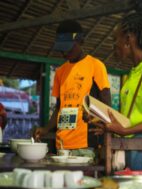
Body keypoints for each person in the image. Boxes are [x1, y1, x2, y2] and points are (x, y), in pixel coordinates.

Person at [94, 9, 142, 171]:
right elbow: (133, 117)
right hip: (132, 146)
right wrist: (106, 121)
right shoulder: (133, 72)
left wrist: (125, 130)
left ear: (128, 39)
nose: (114, 45)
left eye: (116, 39)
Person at [33, 20, 111, 154]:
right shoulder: (60, 72)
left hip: (86, 144)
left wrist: (96, 118)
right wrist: (46, 129)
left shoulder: (95, 66)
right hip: (62, 143)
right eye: (61, 49)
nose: (64, 53)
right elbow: (59, 107)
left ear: (80, 41)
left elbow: (106, 105)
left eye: (68, 47)